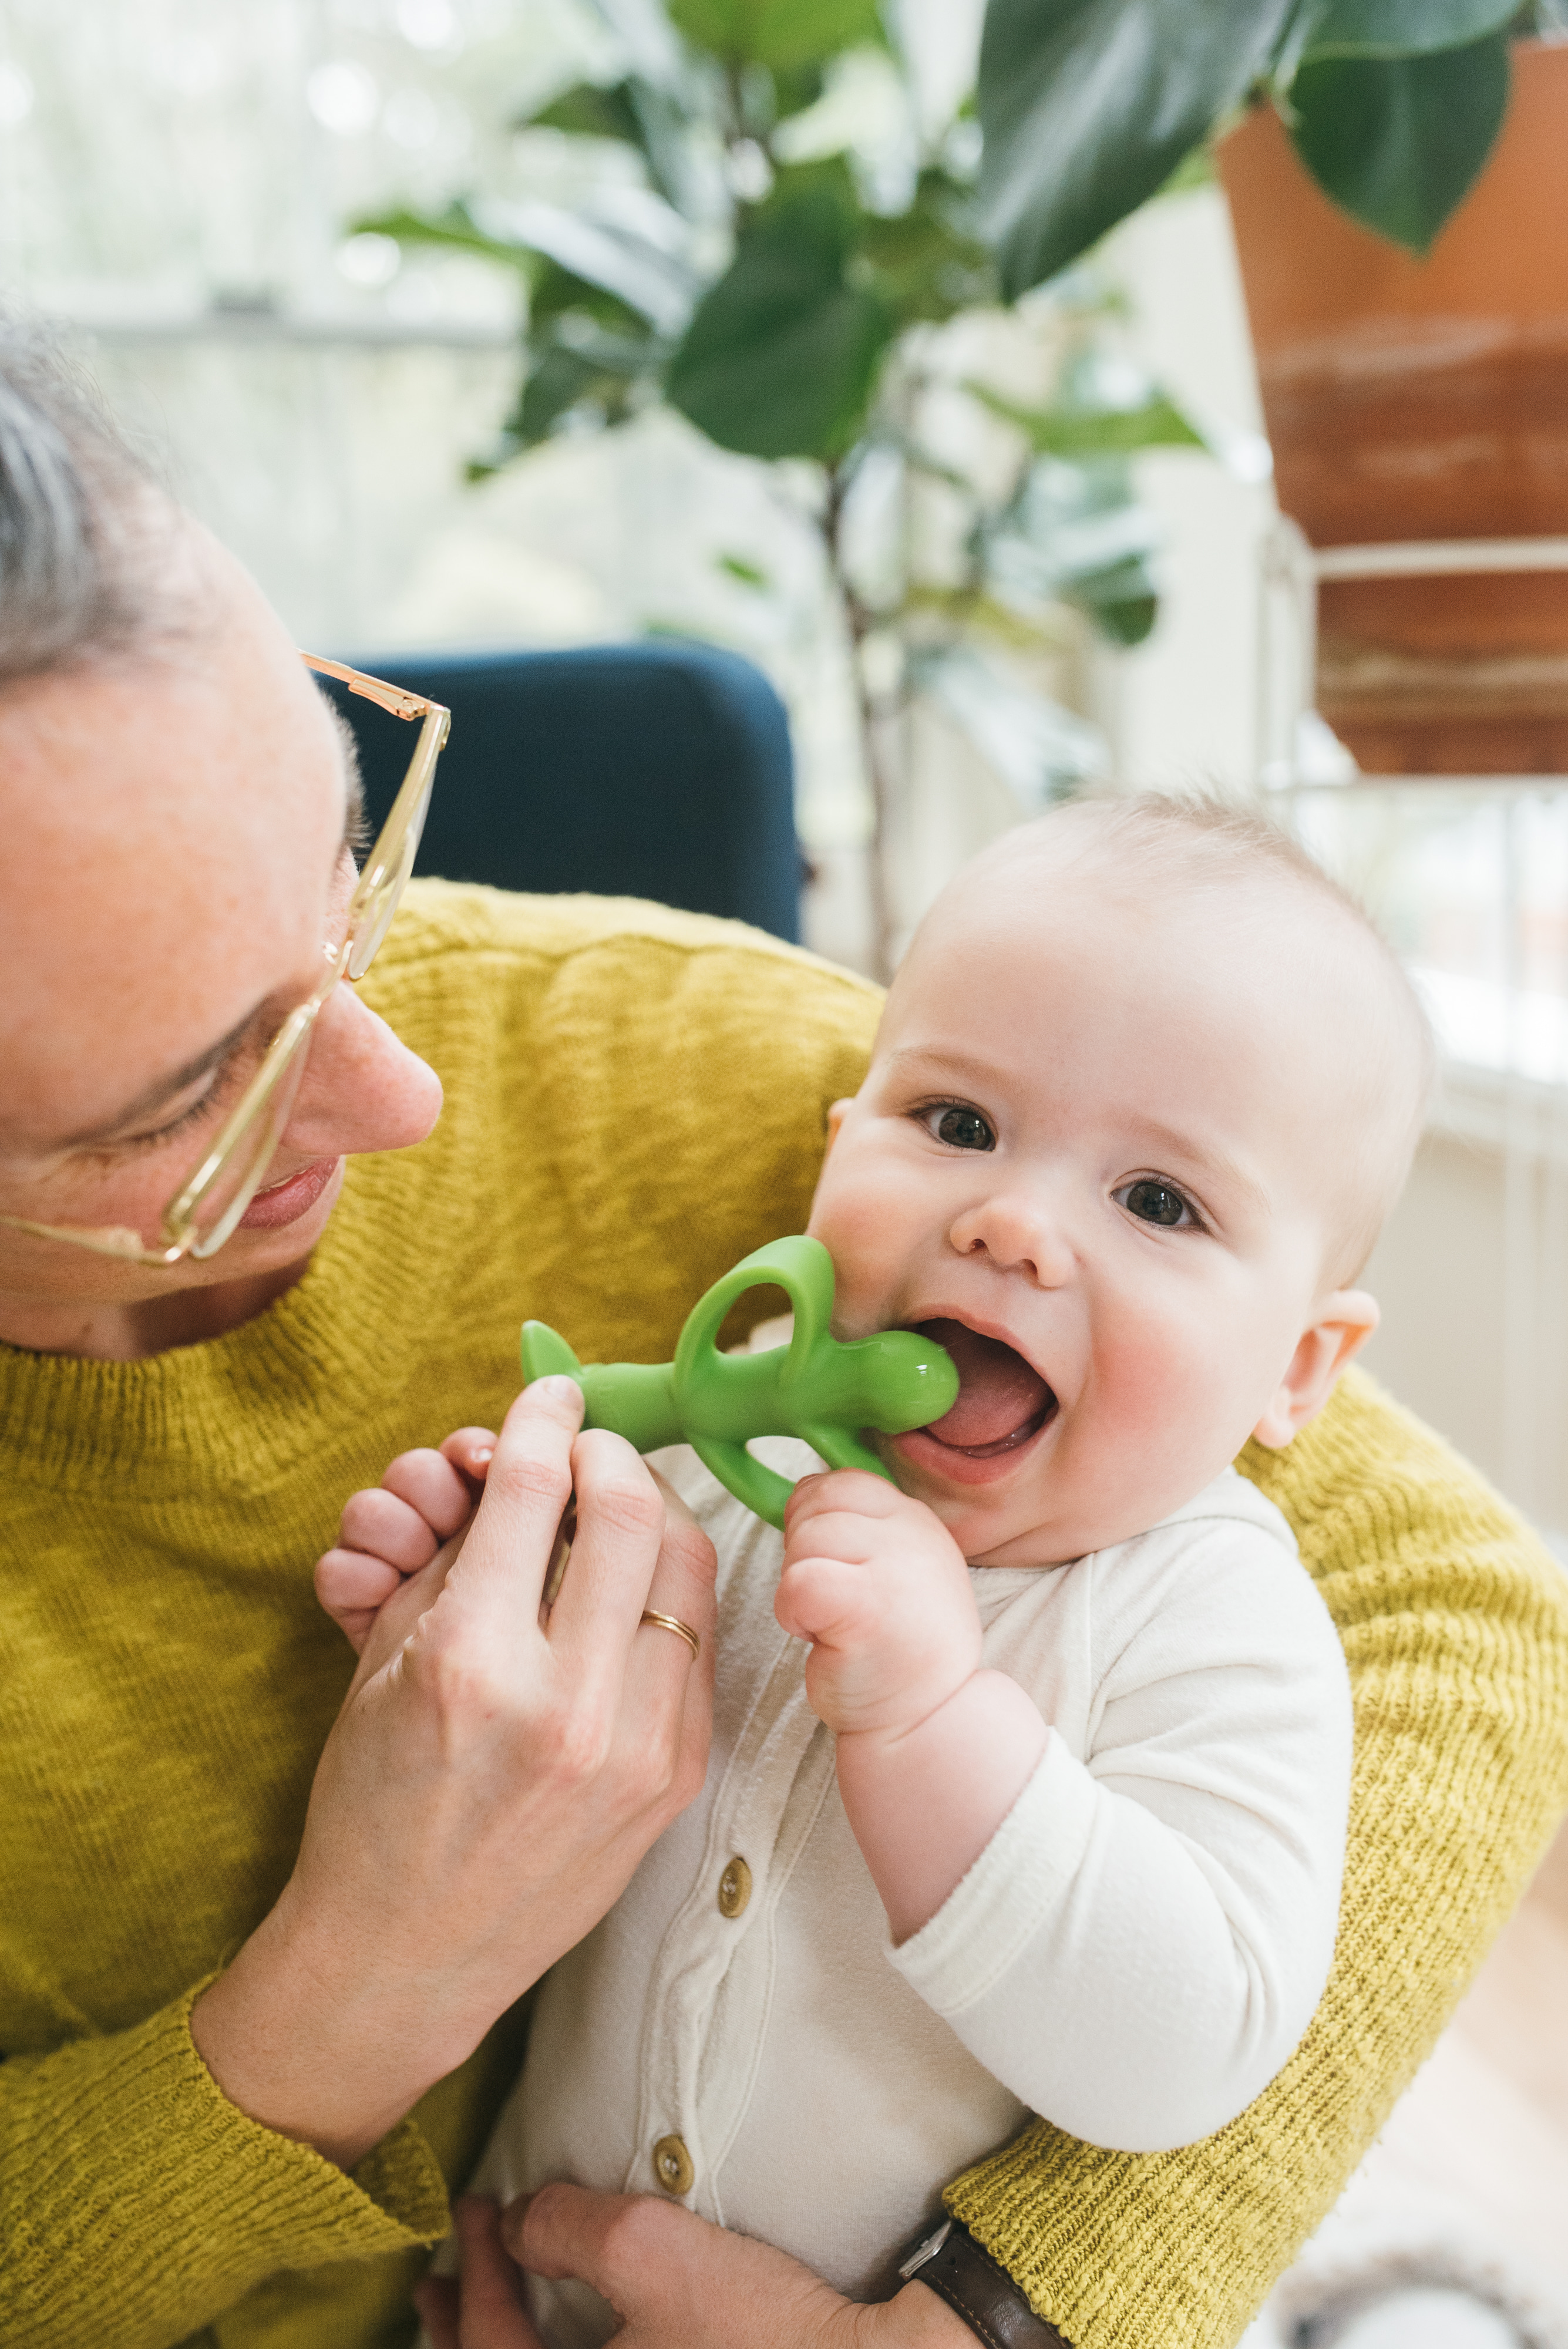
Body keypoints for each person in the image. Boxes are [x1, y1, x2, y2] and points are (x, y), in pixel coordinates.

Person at [0, 319, 1564, 2349]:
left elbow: (1448, 1650)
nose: (398, 1092)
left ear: (1305, 1374)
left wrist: (980, 2331)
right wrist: (403, 1789)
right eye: (186, 1094)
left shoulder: (1176, 1583)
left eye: (352, 872)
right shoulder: (751, 1458)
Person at [325, 797, 1422, 2345]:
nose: (1012, 1225)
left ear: (1298, 1371)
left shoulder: (1216, 1620)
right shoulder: (713, 1479)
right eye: (958, 1125)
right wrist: (456, 1633)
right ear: (840, 1152)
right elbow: (529, 1808)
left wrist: (929, 1714)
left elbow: (1188, 2048)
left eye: (1158, 1201)